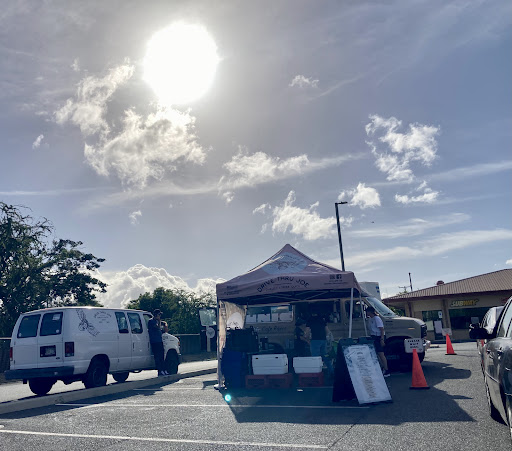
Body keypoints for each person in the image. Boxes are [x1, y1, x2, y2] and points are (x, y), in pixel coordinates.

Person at [306, 312, 334, 377]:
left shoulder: (310, 320)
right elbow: (327, 331)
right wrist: (324, 337)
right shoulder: (322, 320)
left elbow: (307, 332)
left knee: (315, 357)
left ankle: (316, 373)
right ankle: (331, 371)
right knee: (325, 356)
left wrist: (307, 339)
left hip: (315, 340)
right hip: (323, 340)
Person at [366, 306, 390, 377]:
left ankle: (386, 370)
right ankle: (382, 368)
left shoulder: (377, 318)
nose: (367, 313)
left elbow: (382, 329)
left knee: (381, 353)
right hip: (373, 336)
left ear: (370, 312)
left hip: (378, 336)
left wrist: (382, 339)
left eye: (367, 311)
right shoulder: (370, 319)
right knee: (377, 354)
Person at [148, 309, 167, 376]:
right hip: (155, 341)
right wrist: (159, 321)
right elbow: (157, 327)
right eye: (159, 314)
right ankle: (160, 370)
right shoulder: (151, 321)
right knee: (157, 357)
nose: (160, 316)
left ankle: (164, 369)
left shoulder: (157, 321)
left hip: (159, 340)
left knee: (162, 356)